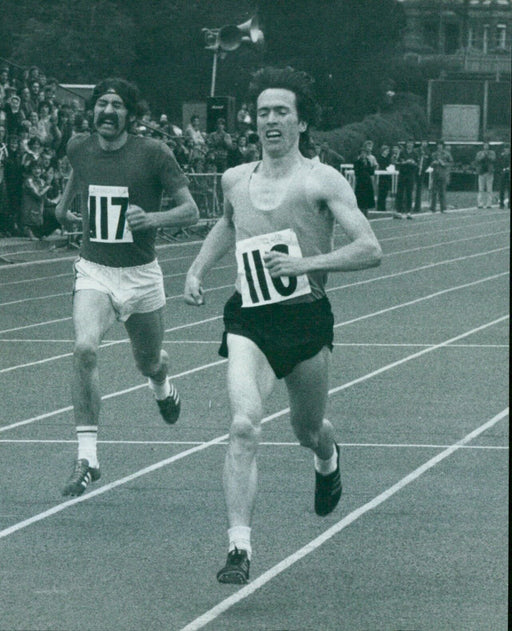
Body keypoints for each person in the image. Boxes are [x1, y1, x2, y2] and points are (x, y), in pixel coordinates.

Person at [182, 67, 382, 585]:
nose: (270, 121)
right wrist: (198, 269)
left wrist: (306, 266)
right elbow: (227, 223)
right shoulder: (235, 178)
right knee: (244, 424)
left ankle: (328, 456)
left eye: (281, 112)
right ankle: (239, 548)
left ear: (301, 121)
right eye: (263, 112)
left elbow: (370, 249)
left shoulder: (321, 179)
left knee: (306, 429)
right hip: (249, 317)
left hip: (306, 319)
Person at [54, 77, 199, 496]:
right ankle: (88, 456)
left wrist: (152, 219)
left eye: (117, 105)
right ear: (93, 112)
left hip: (140, 276)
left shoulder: (154, 153)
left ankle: (162, 385)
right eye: (102, 104)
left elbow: (190, 211)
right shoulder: (78, 146)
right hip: (95, 271)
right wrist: (63, 206)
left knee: (149, 361)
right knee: (84, 349)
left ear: (129, 116)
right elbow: (78, 175)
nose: (108, 111)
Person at [353, 140, 378, 217]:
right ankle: (360, 212)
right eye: (362, 153)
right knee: (360, 198)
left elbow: (371, 172)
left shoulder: (368, 161)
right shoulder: (357, 162)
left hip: (367, 182)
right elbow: (356, 172)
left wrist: (371, 167)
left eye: (365, 153)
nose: (363, 155)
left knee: (367, 198)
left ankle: (366, 212)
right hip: (360, 182)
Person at [428, 141, 453, 214]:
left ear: (442, 146)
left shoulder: (447, 154)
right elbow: (430, 163)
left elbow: (451, 163)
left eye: (441, 145)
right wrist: (433, 163)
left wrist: (444, 163)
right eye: (438, 145)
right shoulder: (433, 154)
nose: (439, 147)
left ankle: (443, 207)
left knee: (442, 191)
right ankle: (433, 207)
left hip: (443, 173)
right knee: (434, 191)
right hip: (435, 173)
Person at [474, 141, 496, 209]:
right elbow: (477, 160)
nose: (486, 147)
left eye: (487, 145)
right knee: (481, 189)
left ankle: (489, 204)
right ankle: (480, 203)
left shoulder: (492, 153)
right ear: (483, 146)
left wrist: (487, 155)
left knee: (489, 189)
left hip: (489, 172)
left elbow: (493, 159)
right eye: (484, 145)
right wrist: (482, 156)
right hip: (481, 172)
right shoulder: (480, 153)